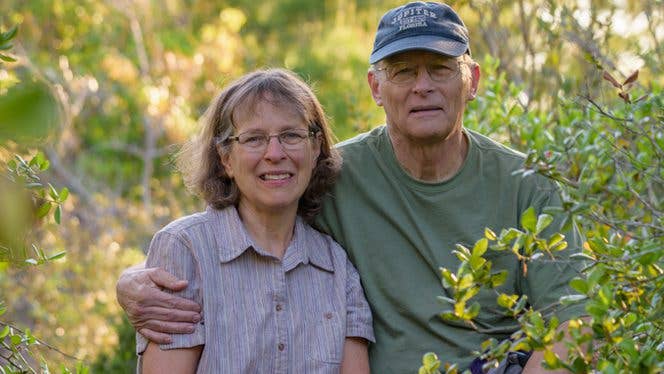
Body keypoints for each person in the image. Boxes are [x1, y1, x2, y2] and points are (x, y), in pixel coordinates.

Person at [117, 2, 584, 373]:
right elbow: (241, 224)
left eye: (440, 68)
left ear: (472, 80)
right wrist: (134, 281)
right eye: (402, 71)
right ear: (376, 87)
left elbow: (574, 323)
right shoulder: (334, 171)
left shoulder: (530, 186)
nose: (422, 86)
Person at [136, 68, 374, 373]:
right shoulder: (187, 250)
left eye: (291, 135)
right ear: (225, 158)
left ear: (315, 149)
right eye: (254, 139)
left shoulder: (337, 268)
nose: (274, 154)